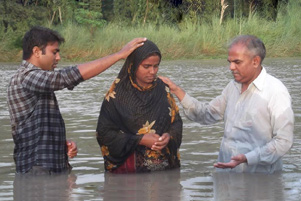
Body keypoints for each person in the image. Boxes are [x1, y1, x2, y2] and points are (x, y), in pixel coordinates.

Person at [7, 26, 146, 174]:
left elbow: (37, 125)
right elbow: (65, 77)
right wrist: (119, 55)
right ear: (36, 51)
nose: (58, 58)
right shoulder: (25, 77)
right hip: (36, 171)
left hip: (49, 170)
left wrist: (61, 146)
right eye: (54, 52)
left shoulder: (37, 80)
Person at [160, 35, 294, 173]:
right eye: (229, 62)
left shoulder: (276, 91)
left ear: (255, 61)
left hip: (259, 178)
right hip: (226, 174)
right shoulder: (233, 87)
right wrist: (177, 90)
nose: (231, 67)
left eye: (237, 62)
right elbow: (207, 114)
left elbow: (283, 142)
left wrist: (248, 158)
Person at [96, 40, 183, 173]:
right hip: (129, 175)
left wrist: (168, 137)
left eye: (156, 66)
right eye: (146, 66)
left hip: (164, 172)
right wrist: (140, 140)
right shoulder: (117, 95)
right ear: (133, 65)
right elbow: (104, 134)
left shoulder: (162, 89)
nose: (152, 71)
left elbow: (176, 122)